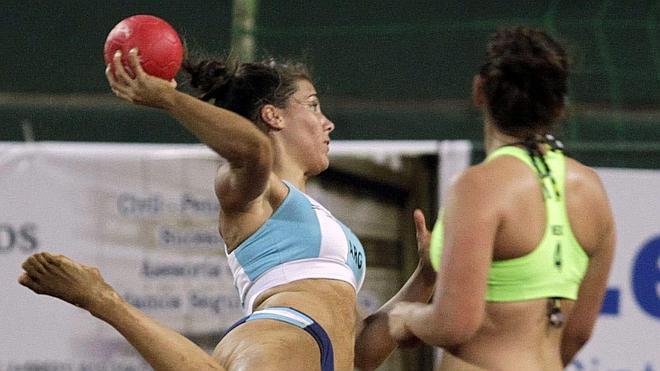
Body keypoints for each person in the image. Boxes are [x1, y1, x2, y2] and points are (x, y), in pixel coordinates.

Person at [18, 47, 436, 371]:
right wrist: (168, 99)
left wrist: (425, 277)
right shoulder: (253, 189)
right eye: (313, 105)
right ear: (273, 115)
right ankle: (102, 299)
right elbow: (252, 149)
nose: (327, 122)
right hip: (281, 332)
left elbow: (362, 349)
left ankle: (105, 301)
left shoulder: (325, 221)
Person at [387, 26, 616, 370]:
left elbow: (454, 324)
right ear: (558, 106)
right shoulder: (591, 189)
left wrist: (406, 317)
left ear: (479, 90)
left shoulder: (480, 186)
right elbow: (579, 332)